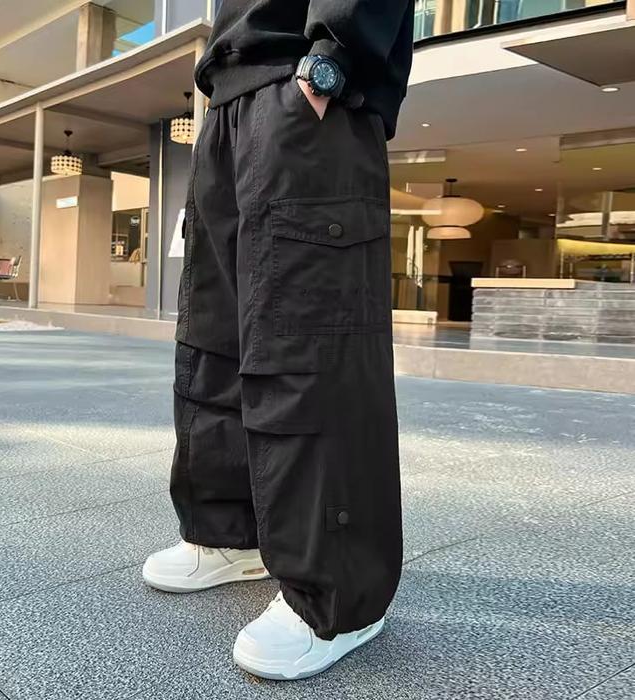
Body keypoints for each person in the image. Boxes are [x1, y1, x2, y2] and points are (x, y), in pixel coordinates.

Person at [143, 0, 414, 681]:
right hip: (230, 96)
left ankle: (340, 596)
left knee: (309, 343)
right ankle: (229, 533)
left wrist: (331, 61)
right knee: (214, 337)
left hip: (309, 80)